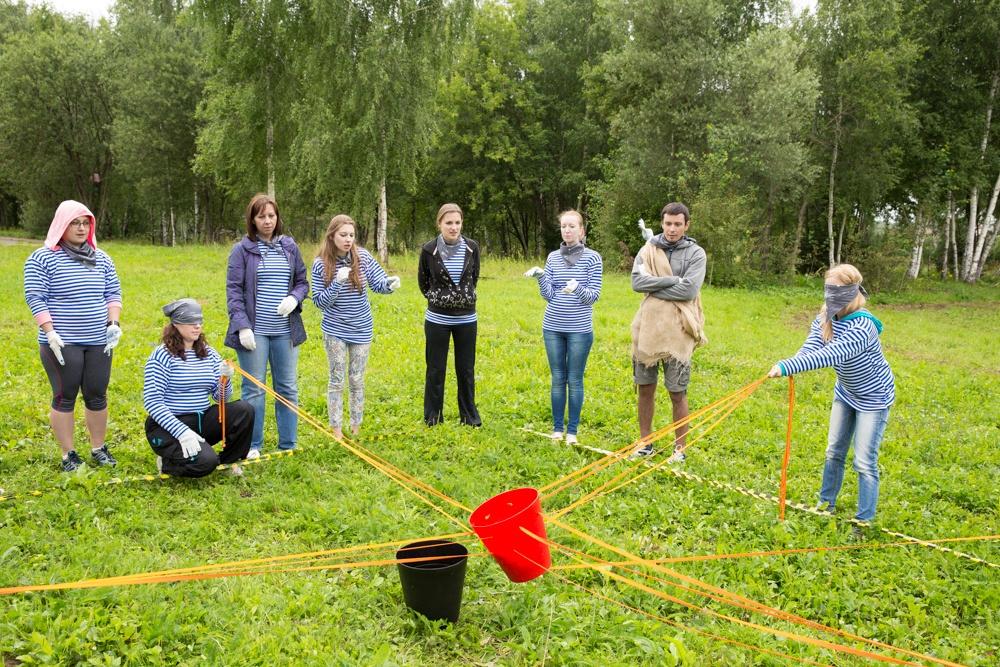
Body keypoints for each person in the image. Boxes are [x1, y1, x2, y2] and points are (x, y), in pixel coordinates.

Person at [768, 264, 894, 532]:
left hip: (874, 397)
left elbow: (831, 354)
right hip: (846, 392)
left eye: (837, 290)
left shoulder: (863, 326)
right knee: (833, 450)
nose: (831, 295)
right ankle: (826, 504)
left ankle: (864, 520)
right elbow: (813, 346)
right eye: (828, 289)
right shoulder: (826, 315)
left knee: (863, 460)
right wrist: (790, 362)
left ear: (852, 291)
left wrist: (787, 367)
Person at [24, 200, 123, 472]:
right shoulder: (42, 258)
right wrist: (50, 332)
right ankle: (68, 454)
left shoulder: (101, 258)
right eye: (75, 223)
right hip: (61, 342)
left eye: (86, 222)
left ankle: (98, 448)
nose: (81, 228)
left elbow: (112, 293)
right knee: (65, 396)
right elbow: (36, 297)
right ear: (61, 225)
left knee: (96, 394)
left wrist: (113, 323)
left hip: (98, 341)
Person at [225, 194, 309, 459]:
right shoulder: (242, 250)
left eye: (271, 216)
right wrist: (242, 326)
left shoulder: (289, 247)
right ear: (252, 219)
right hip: (254, 331)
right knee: (254, 389)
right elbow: (234, 291)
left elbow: (302, 282)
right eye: (261, 216)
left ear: (278, 217)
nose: (267, 221)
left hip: (286, 331)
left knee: (287, 387)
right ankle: (253, 445)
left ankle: (288, 444)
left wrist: (294, 298)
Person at [629, 202, 707, 461]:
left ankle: (679, 449)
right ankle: (645, 443)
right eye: (668, 223)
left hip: (678, 332)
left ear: (686, 225)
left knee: (677, 392)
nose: (672, 229)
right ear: (662, 223)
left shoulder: (696, 254)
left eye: (677, 224)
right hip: (648, 329)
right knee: (645, 388)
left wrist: (655, 287)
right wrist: (673, 280)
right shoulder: (648, 248)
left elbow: (689, 291)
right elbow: (636, 282)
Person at [312, 214, 400, 439]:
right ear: (332, 236)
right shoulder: (320, 263)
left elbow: (378, 283)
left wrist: (390, 285)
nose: (348, 239)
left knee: (357, 378)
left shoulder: (362, 257)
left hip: (361, 329)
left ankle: (356, 426)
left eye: (351, 235)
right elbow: (320, 301)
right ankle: (336, 429)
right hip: (335, 330)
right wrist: (336, 283)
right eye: (343, 235)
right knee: (337, 378)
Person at [143, 299, 253, 478]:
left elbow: (221, 399)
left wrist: (224, 379)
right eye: (191, 322)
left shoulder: (209, 354)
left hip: (201, 421)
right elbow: (152, 402)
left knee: (244, 410)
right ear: (176, 324)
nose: (197, 326)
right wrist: (181, 431)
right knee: (205, 463)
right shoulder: (161, 356)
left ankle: (228, 462)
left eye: (200, 322)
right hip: (168, 426)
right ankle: (167, 463)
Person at [524, 210, 603, 444]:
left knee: (575, 379)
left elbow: (593, 296)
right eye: (563, 227)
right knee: (558, 378)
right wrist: (540, 276)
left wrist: (577, 287)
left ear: (582, 231)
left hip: (579, 329)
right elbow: (548, 295)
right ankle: (557, 430)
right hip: (553, 327)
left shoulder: (592, 258)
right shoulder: (553, 258)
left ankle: (572, 432)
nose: (567, 231)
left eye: (572, 226)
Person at [418, 203, 482, 427]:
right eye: (449, 223)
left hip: (467, 320)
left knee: (466, 369)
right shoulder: (429, 250)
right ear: (439, 224)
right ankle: (433, 417)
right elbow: (423, 283)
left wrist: (461, 298)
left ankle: (469, 417)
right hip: (437, 320)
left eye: (457, 222)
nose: (454, 227)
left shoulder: (472, 247)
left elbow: (474, 278)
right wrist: (441, 299)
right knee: (435, 369)